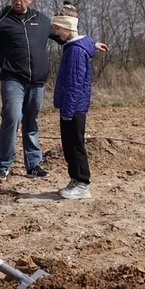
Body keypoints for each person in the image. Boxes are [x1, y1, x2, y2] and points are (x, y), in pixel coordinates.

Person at [0, 0, 61, 182]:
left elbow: (64, 36)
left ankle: (33, 164)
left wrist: (88, 42)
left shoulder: (41, 20)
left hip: (37, 82)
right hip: (11, 79)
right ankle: (3, 166)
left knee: (31, 121)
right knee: (12, 118)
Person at [50, 11, 108, 199]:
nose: (57, 33)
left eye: (58, 29)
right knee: (69, 145)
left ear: (67, 27)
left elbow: (74, 83)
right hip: (70, 106)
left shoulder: (75, 51)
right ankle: (75, 179)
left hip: (73, 108)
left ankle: (82, 183)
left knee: (75, 145)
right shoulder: (73, 46)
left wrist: (67, 111)